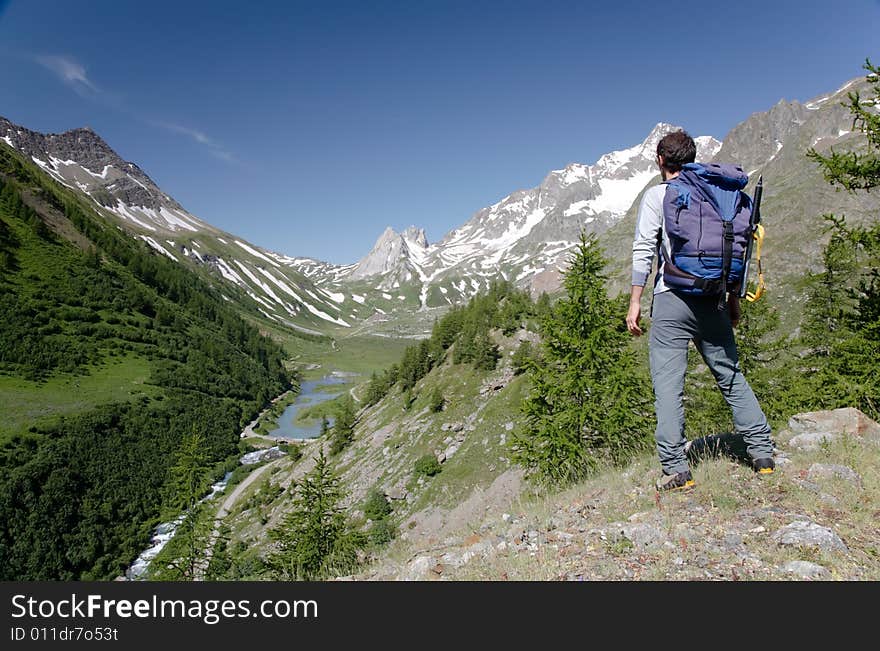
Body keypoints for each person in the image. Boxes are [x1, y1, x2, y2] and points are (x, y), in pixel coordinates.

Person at [626, 130, 775, 491]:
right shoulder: (722, 197)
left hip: (672, 300)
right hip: (714, 300)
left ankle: (677, 469)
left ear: (661, 160)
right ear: (691, 158)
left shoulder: (658, 196)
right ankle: (762, 453)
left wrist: (634, 301)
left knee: (668, 386)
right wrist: (734, 302)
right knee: (730, 375)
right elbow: (732, 254)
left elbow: (645, 249)